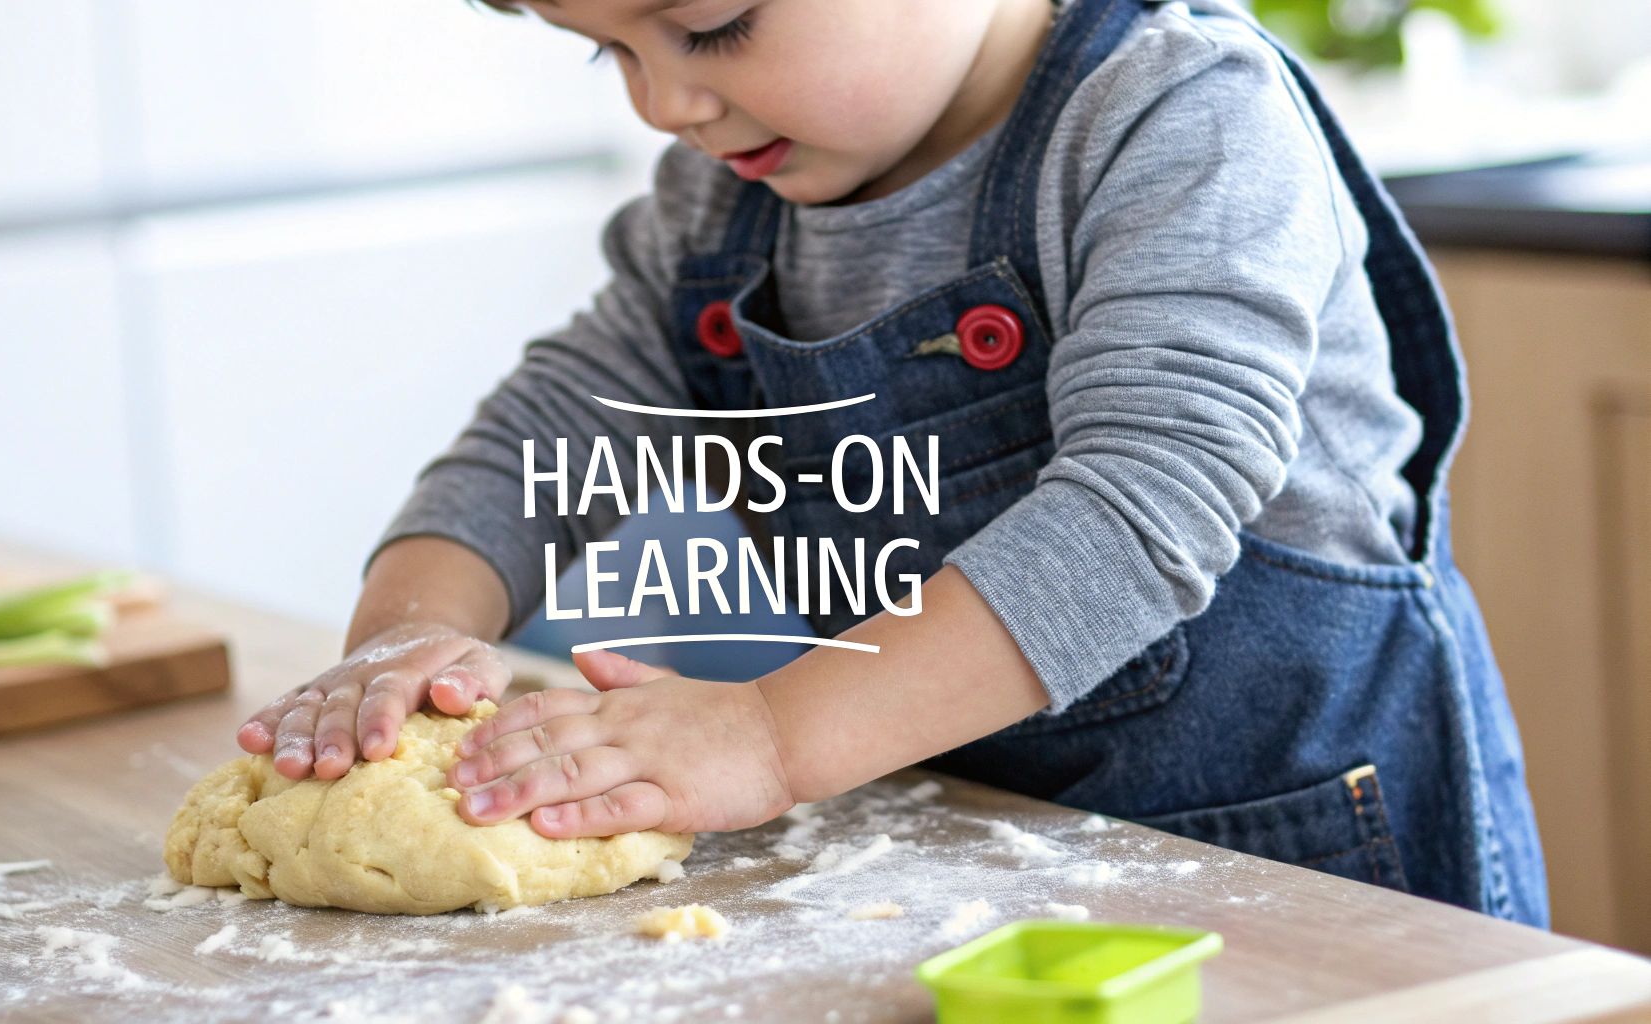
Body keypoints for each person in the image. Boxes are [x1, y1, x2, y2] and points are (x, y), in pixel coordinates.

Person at [236, 0, 1550, 924]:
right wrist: (407, 634)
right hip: (990, 854)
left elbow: (1148, 499)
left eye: (710, 25)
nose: (665, 101)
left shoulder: (1176, 119)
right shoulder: (727, 202)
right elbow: (562, 420)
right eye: (605, 53)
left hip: (1305, 864)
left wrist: (768, 730)